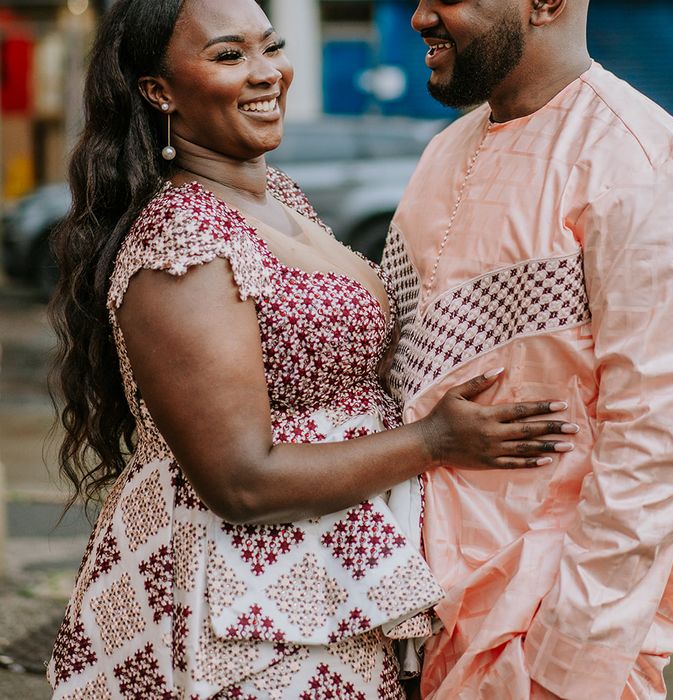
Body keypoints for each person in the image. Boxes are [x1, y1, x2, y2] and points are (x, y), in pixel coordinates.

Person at [45, 1, 578, 698]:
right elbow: (241, 482)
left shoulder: (274, 196)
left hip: (322, 583)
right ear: (159, 90)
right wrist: (434, 441)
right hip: (239, 609)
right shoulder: (184, 244)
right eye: (229, 56)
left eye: (272, 46)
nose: (268, 73)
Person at [382, 1, 673, 698]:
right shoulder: (446, 148)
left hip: (534, 646)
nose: (419, 16)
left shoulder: (654, 174)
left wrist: (561, 669)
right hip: (404, 620)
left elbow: (654, 460)